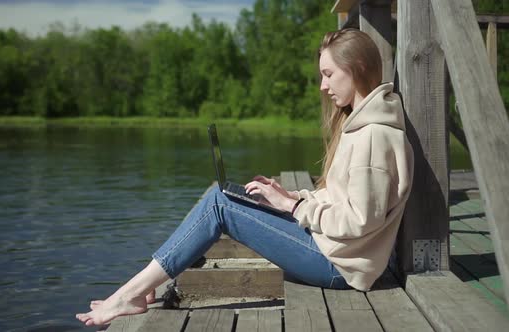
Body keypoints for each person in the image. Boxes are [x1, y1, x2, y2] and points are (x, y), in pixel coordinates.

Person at [76, 28, 414, 327]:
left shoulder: (373, 135)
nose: (323, 85)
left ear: (356, 70)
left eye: (328, 74)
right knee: (224, 199)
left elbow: (360, 220)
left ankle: (131, 293)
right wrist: (294, 198)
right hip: (335, 252)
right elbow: (345, 199)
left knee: (219, 205)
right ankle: (142, 287)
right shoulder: (362, 126)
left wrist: (294, 210)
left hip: (340, 266)